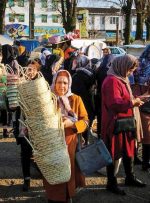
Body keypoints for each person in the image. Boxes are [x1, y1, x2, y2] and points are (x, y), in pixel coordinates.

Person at [101, 55, 146, 196]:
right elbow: (114, 104)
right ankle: (111, 183)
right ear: (121, 66)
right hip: (114, 124)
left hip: (125, 123)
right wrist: (133, 103)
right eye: (129, 69)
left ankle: (130, 177)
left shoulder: (121, 79)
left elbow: (124, 98)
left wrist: (135, 99)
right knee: (113, 152)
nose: (130, 73)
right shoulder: (112, 81)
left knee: (129, 149)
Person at [43, 70, 89, 203]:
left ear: (69, 84)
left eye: (65, 82)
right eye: (59, 82)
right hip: (51, 146)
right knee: (54, 177)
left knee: (68, 176)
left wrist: (72, 124)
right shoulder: (47, 100)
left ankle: (68, 197)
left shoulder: (76, 99)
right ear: (54, 82)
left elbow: (85, 121)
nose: (62, 86)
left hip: (70, 145)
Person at [14, 61, 41, 191]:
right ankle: (27, 179)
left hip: (38, 125)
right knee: (25, 152)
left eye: (32, 70)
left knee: (40, 151)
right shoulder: (21, 84)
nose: (30, 72)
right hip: (24, 124)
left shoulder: (40, 85)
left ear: (37, 71)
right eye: (28, 69)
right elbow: (15, 107)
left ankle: (44, 173)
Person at [95, 47, 114, 137]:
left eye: (106, 51)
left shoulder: (100, 68)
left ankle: (100, 134)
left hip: (100, 95)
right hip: (108, 97)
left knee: (101, 115)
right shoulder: (111, 71)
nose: (105, 52)